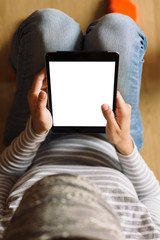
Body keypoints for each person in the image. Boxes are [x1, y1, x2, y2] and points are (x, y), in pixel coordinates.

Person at [0, 8, 160, 240]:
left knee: (49, 24)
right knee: (119, 29)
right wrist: (124, 144)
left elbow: (5, 175)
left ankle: (21, 67)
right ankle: (99, 43)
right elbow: (151, 193)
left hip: (37, 137)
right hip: (115, 141)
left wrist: (34, 132)